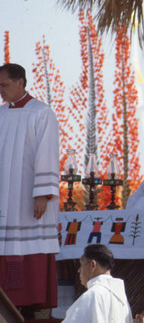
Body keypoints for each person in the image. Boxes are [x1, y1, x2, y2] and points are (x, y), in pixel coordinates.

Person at [0, 63, 60, 317]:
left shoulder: (42, 112)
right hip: (4, 196)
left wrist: (42, 193)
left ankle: (34, 305)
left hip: (29, 198)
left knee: (31, 247)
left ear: (20, 82)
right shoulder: (1, 115)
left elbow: (47, 153)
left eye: (4, 85)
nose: (1, 91)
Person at [62, 244, 133, 322]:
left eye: (81, 264)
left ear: (93, 265)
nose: (79, 270)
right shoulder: (122, 299)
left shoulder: (93, 295)